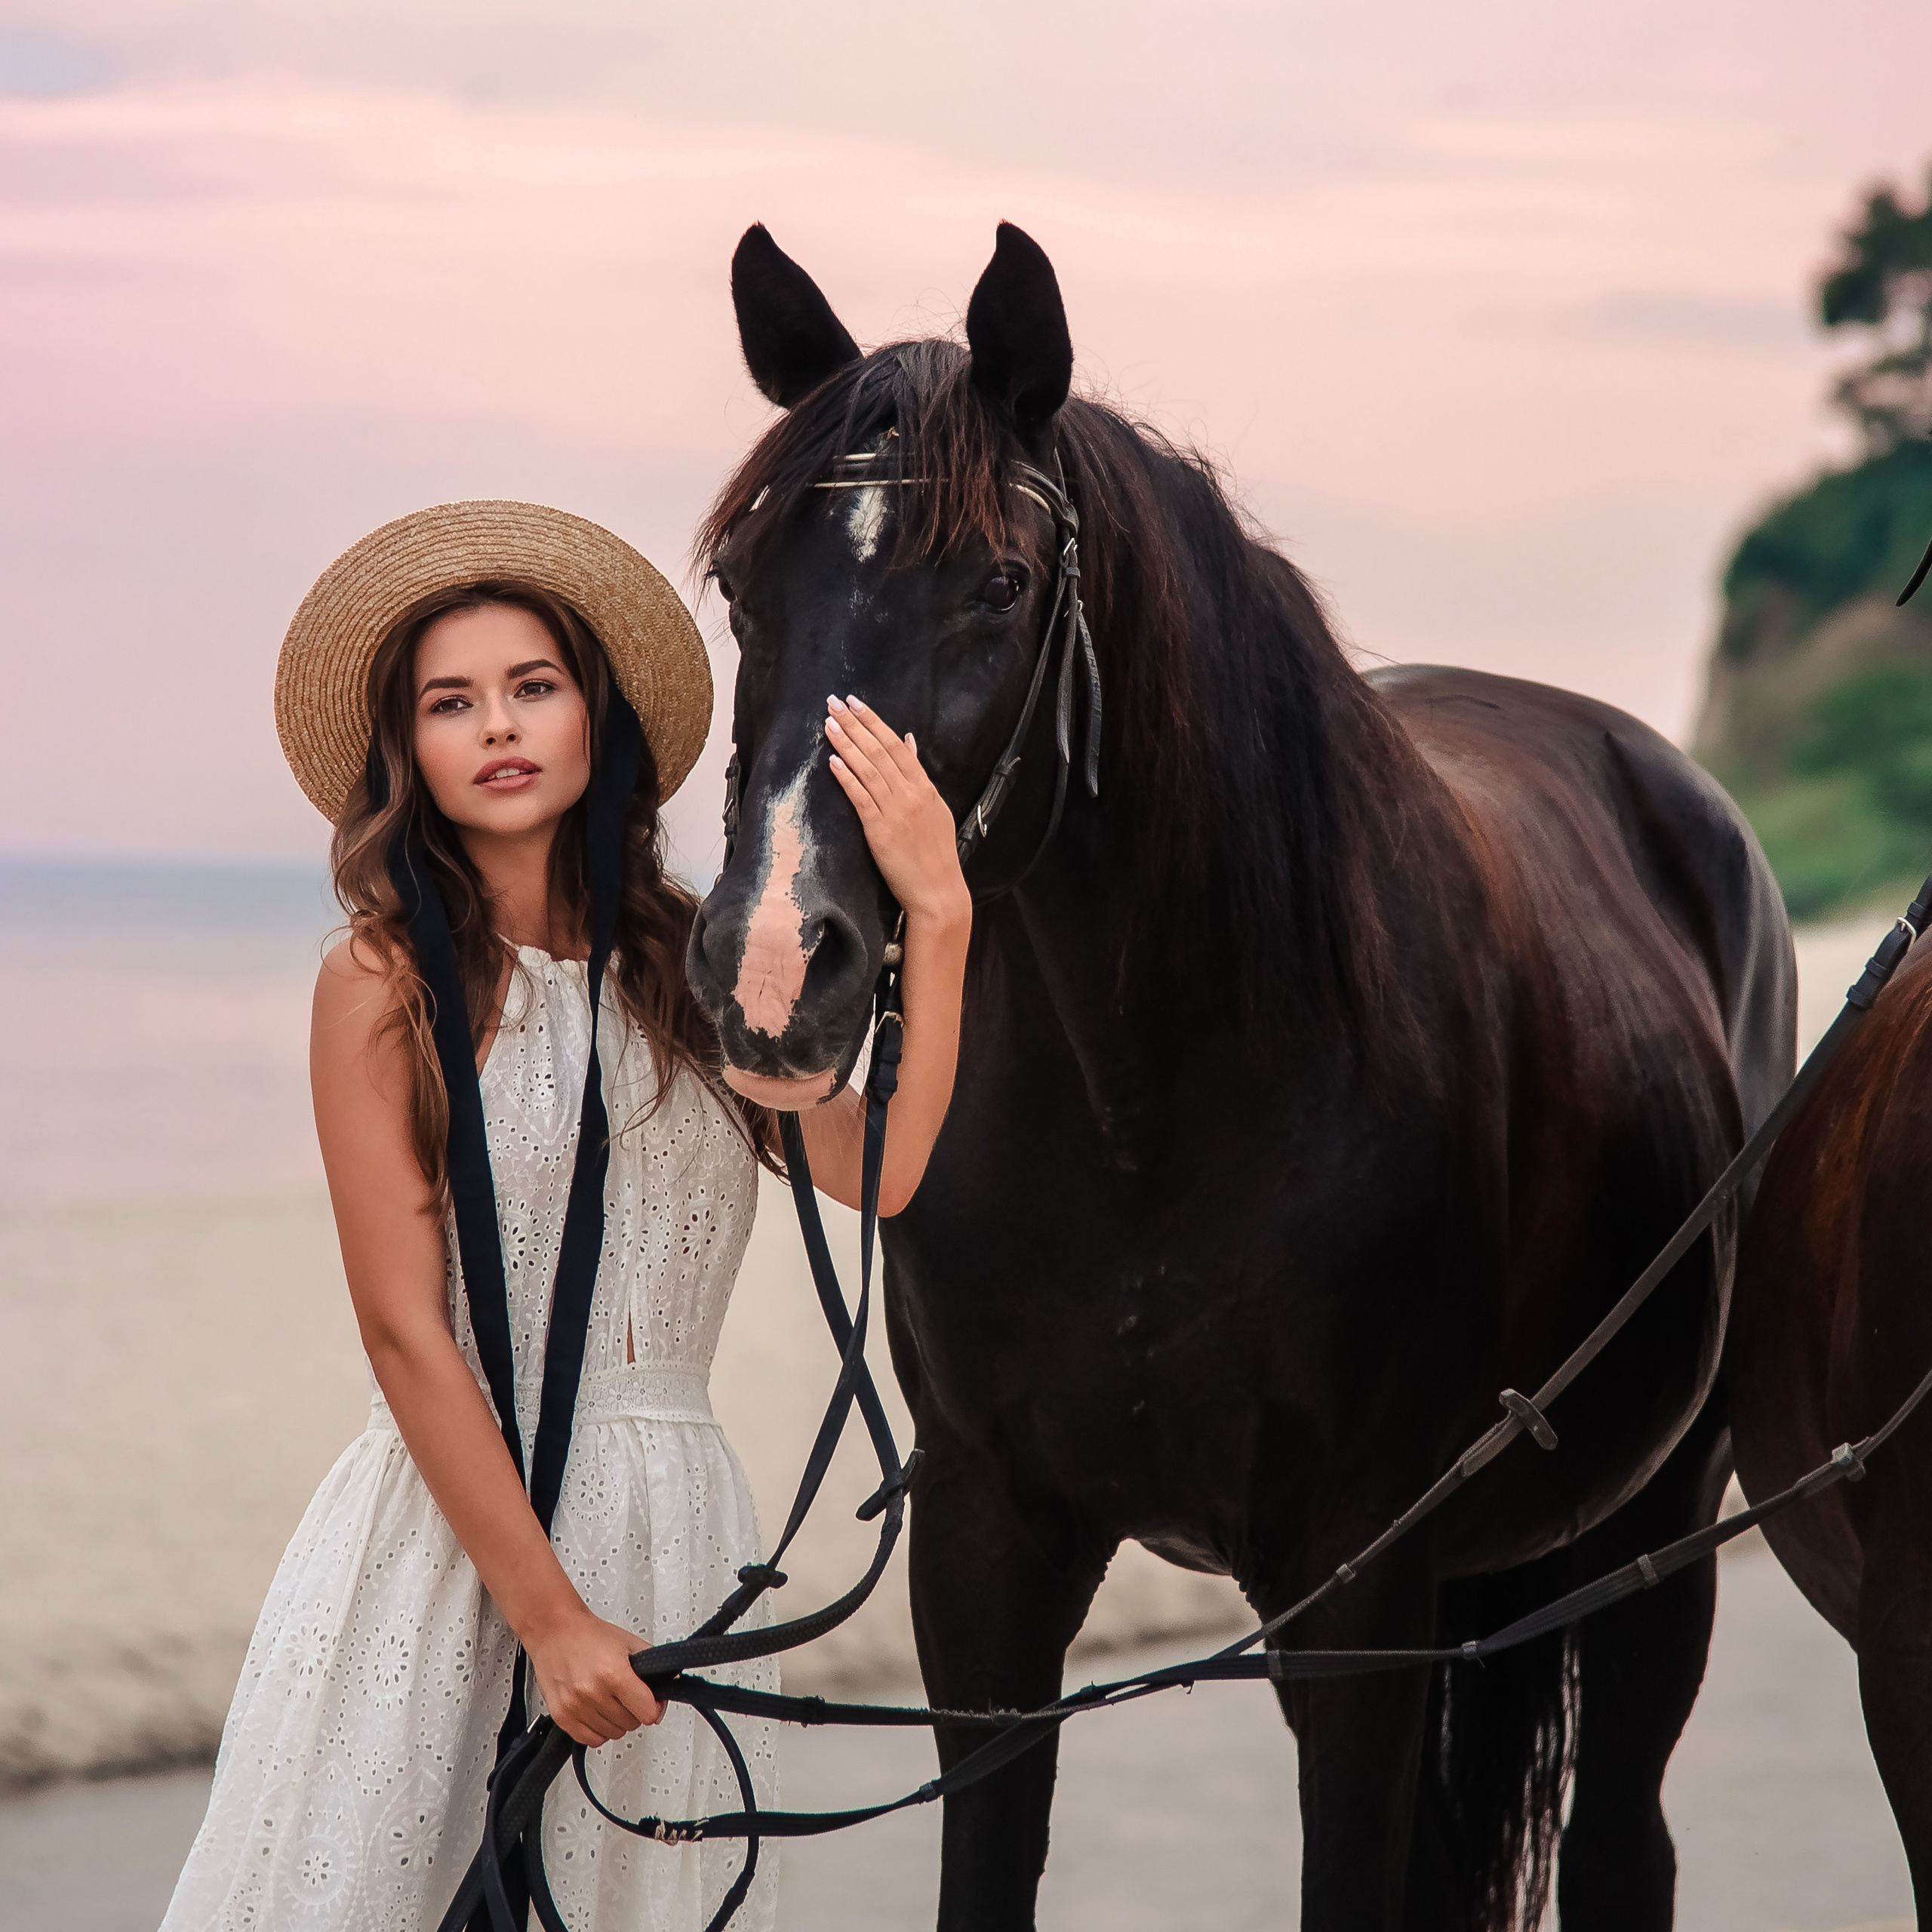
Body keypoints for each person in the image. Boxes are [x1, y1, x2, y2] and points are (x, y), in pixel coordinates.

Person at [159, 500, 971, 1930]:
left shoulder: (698, 962)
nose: (498, 726)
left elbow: (879, 1171)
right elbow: (407, 1330)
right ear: (406, 752)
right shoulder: (383, 982)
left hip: (671, 1525)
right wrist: (544, 1613)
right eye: (450, 703)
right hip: (448, 1542)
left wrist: (942, 917)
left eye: (532, 686)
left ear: (595, 715)